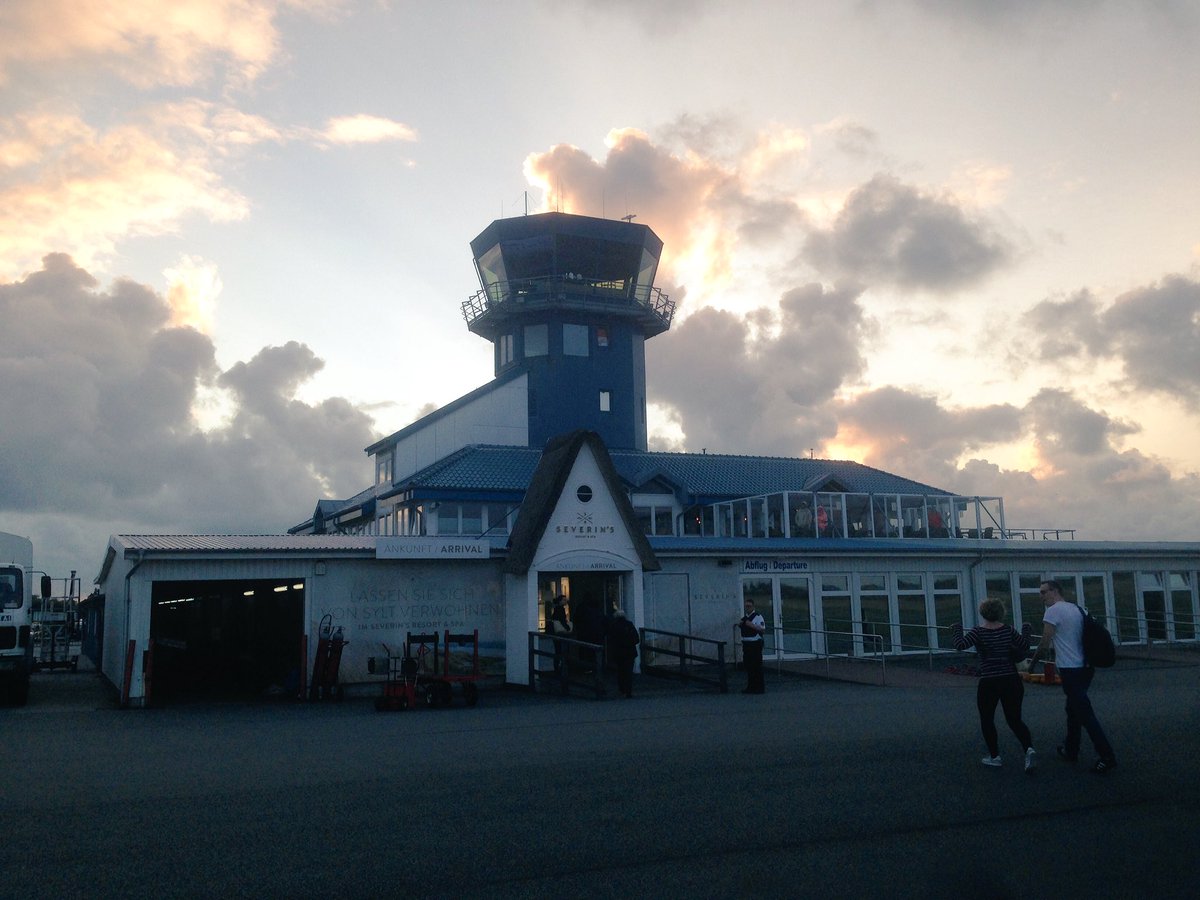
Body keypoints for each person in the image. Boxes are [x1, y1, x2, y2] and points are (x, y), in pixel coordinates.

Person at [1028, 580, 1117, 774]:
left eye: (1044, 592)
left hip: (1071, 670)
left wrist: (1032, 663)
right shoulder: (1078, 609)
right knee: (1073, 709)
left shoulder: (1053, 611)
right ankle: (1071, 749)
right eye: (1040, 593)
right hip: (1086, 667)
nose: (1041, 596)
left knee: (1085, 713)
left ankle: (1107, 756)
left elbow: (1045, 642)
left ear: (1055, 591)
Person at [952, 598, 1036, 772]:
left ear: (983, 613)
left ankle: (995, 756)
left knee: (987, 719)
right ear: (1001, 613)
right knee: (1014, 719)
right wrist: (1027, 629)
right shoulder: (1008, 630)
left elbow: (960, 645)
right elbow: (1025, 645)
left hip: (989, 681)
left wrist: (957, 629)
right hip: (1011, 680)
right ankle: (1028, 748)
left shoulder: (978, 632)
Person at [606, 609, 640, 698]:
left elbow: (610, 639)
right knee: (628, 672)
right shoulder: (629, 625)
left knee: (620, 671)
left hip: (619, 652)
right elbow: (636, 638)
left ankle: (622, 689)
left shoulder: (613, 626)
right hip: (630, 652)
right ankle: (628, 691)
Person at [738, 598, 766, 694]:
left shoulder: (758, 617)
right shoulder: (745, 618)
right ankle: (751, 687)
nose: (747, 608)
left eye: (749, 606)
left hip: (755, 644)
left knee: (757, 667)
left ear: (753, 606)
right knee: (749, 667)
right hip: (746, 644)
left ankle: (760, 688)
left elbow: (762, 630)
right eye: (746, 606)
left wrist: (751, 625)